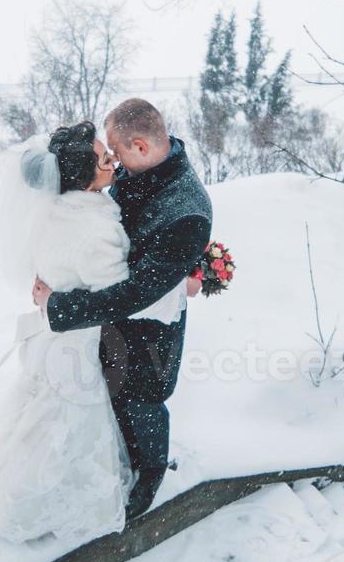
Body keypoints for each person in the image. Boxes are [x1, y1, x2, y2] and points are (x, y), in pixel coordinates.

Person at [0, 123, 136, 543]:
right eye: (104, 159)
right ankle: (36, 504)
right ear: (83, 177)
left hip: (51, 334)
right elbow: (117, 293)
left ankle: (26, 482)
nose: (113, 160)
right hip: (76, 341)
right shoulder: (95, 230)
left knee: (42, 415)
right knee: (68, 423)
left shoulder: (55, 210)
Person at [33, 98, 213, 519]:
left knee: (142, 406)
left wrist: (57, 306)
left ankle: (148, 484)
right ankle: (121, 466)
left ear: (141, 146)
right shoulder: (140, 168)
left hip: (149, 337)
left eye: (116, 153)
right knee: (113, 406)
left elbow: (134, 294)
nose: (111, 162)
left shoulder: (187, 212)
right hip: (106, 327)